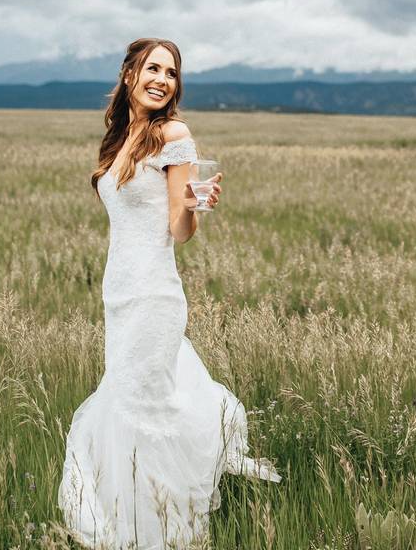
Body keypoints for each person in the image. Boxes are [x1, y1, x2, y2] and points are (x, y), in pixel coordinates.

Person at [57, 38, 281, 549]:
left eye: (172, 72)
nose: (162, 79)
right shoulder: (121, 138)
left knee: (141, 406)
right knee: (128, 399)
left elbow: (178, 230)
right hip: (119, 293)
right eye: (153, 68)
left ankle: (155, 527)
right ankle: (128, 514)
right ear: (130, 72)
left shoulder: (174, 133)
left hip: (155, 294)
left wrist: (197, 206)